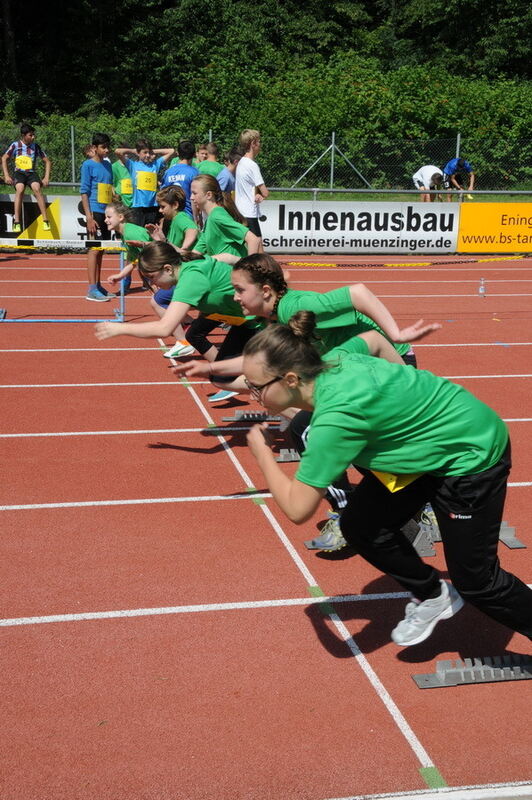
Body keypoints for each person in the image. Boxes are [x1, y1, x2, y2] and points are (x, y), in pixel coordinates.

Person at [243, 313, 532, 647]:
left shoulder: (336, 420)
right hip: (421, 452)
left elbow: (297, 509)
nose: (252, 394)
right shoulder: (333, 360)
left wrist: (263, 455)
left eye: (256, 388)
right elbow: (373, 339)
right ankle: (435, 595)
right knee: (361, 526)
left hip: (470, 454)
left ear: (291, 379)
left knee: (478, 582)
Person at [174, 253, 440, 543]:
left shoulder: (298, 306)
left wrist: (396, 333)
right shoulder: (270, 320)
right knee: (345, 441)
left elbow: (358, 292)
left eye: (239, 290)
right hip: (348, 370)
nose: (234, 297)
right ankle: (397, 500)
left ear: (265, 291)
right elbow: (260, 361)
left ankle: (372, 506)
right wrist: (211, 368)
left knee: (315, 430)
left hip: (382, 364)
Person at [94, 241, 259, 402]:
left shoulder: (190, 279)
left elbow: (164, 328)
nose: (152, 283)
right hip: (229, 313)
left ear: (168, 269)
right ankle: (233, 372)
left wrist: (120, 329)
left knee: (222, 379)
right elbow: (227, 257)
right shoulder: (189, 263)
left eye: (151, 277)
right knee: (194, 334)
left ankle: (267, 387)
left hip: (256, 320)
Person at [80, 132, 115, 301]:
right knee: (93, 250)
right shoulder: (87, 165)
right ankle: (91, 289)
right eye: (103, 147)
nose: (107, 150)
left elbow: (109, 189)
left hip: (106, 212)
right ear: (95, 148)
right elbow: (84, 192)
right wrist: (89, 217)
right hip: (94, 212)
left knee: (101, 250)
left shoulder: (108, 166)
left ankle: (98, 285)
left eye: (108, 147)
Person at [190, 174, 261, 259]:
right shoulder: (210, 219)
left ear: (209, 195)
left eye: (194, 193)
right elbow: (194, 255)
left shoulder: (217, 216)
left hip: (232, 271)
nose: (191, 197)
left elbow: (253, 239)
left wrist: (248, 268)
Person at [2, 123, 52, 233]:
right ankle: (17, 221)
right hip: (19, 173)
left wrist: (46, 177)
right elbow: (4, 158)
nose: (33, 137)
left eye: (34, 135)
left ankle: (45, 219)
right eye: (31, 135)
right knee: (20, 189)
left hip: (31, 173)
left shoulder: (36, 146)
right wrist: (6, 175)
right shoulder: (15, 145)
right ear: (23, 135)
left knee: (37, 188)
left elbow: (47, 161)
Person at [115, 139, 174, 227]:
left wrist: (153, 151)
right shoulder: (132, 165)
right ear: (138, 153)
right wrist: (133, 151)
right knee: (139, 233)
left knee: (150, 233)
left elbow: (171, 151)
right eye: (145, 152)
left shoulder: (155, 165)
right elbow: (117, 152)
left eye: (149, 153)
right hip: (138, 207)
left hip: (152, 207)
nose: (148, 155)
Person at [102, 201, 152, 294]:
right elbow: (133, 260)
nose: (105, 220)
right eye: (105, 217)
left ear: (121, 217)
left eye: (109, 217)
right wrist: (120, 275)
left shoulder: (130, 233)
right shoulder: (125, 233)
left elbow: (153, 252)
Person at [235, 129, 269, 252]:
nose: (260, 145)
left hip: (240, 210)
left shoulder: (241, 163)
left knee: (250, 247)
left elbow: (250, 187)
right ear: (253, 143)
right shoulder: (252, 165)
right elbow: (265, 191)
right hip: (249, 212)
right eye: (258, 141)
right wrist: (263, 195)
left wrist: (259, 195)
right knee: (258, 249)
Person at [160, 140, 199, 217]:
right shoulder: (195, 172)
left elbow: (163, 194)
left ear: (178, 153)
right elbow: (194, 198)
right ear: (194, 154)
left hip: (171, 215)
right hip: (188, 215)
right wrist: (196, 218)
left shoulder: (168, 172)